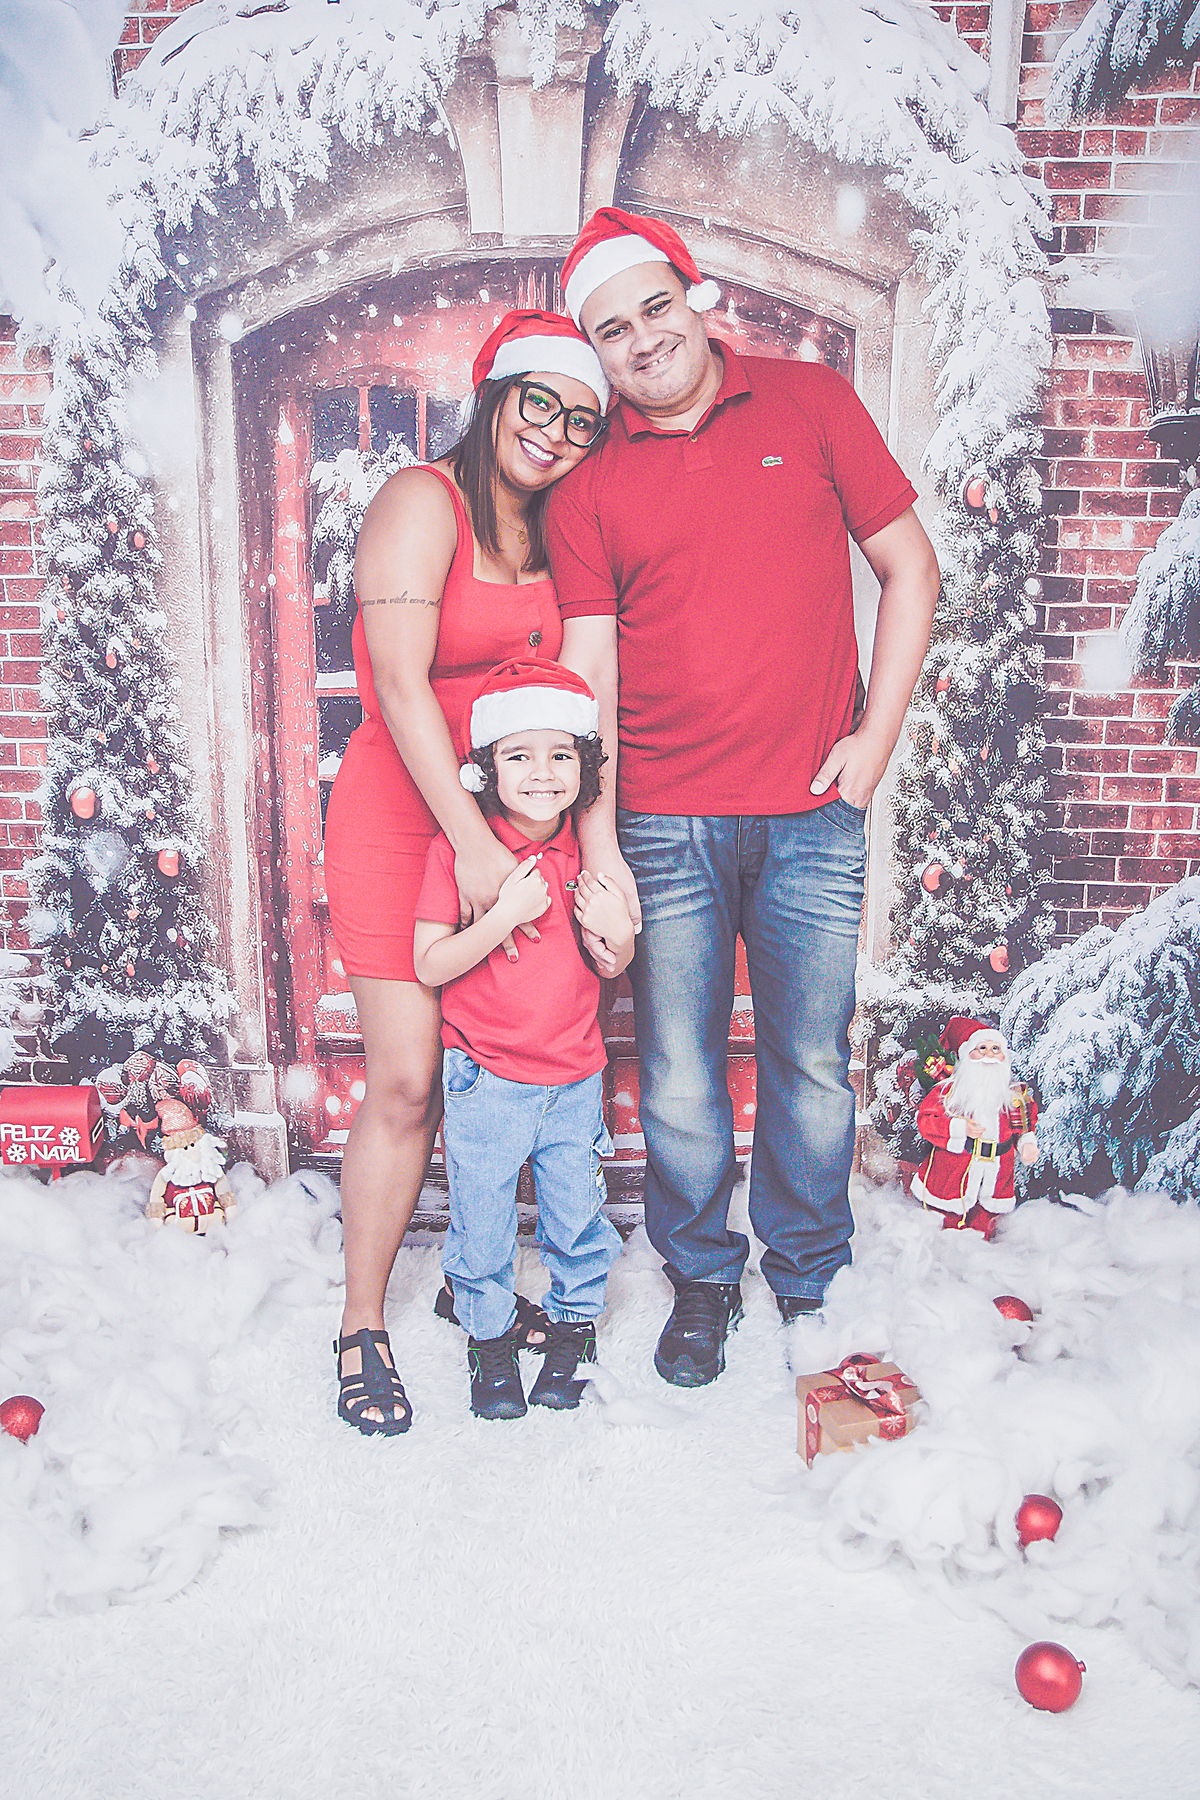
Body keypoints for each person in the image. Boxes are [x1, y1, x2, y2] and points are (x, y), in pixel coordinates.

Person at [547, 207, 941, 1387]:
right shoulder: (587, 483)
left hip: (813, 814)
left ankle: (809, 1274)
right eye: (612, 330)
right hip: (662, 821)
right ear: (596, 349)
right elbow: (590, 674)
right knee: (678, 1072)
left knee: (809, 1062)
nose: (643, 339)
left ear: (692, 294)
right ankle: (704, 1277)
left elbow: (910, 565)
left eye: (654, 307)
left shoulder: (811, 403)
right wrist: (601, 844)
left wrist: (875, 742)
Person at [323, 310, 611, 1435]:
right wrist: (475, 841)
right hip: (409, 819)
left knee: (503, 1061)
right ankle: (361, 1326)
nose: (556, 432)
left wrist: (575, 850)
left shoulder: (560, 530)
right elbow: (400, 686)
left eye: (582, 419)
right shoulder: (420, 500)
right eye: (540, 402)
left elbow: (583, 701)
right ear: (495, 396)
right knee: (407, 1081)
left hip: (519, 831)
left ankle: (469, 1279)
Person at [413, 659, 635, 1420]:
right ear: (486, 767)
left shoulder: (589, 858)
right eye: (518, 756)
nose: (542, 773)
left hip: (574, 1078)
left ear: (584, 765)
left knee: (576, 1216)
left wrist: (618, 939)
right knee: (483, 1222)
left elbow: (611, 963)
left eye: (561, 754)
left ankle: (574, 1327)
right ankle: (489, 1335)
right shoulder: (460, 853)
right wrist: (504, 915)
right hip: (487, 1077)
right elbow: (430, 963)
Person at [911, 1016, 1039, 1239]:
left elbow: (1024, 1126)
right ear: (967, 1054)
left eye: (995, 1048)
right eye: (982, 1048)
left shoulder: (1013, 1097)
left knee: (983, 1234)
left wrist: (1026, 1144)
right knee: (946, 1231)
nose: (989, 1054)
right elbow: (926, 1121)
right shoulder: (949, 1093)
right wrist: (960, 1129)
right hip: (953, 1179)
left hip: (996, 1180)